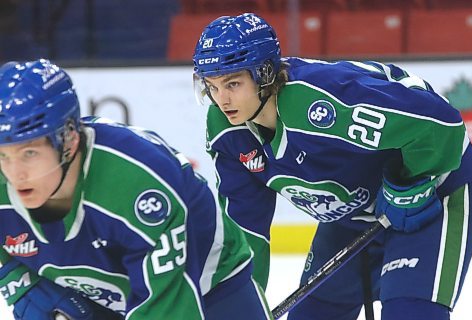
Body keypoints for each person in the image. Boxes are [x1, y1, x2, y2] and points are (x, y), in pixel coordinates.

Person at [192, 12, 472, 320]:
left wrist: (409, 180)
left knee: (409, 312)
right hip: (351, 215)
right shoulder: (227, 131)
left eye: (233, 83)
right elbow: (245, 228)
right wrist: (239, 307)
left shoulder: (319, 102)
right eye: (212, 87)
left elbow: (440, 124)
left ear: (265, 73)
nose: (222, 100)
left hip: (435, 192)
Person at [0, 59, 273, 320]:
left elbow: (167, 309)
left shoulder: (139, 185)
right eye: (3, 155)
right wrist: (20, 281)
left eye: (30, 153)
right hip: (100, 294)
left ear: (68, 139)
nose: (14, 173)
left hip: (209, 284)